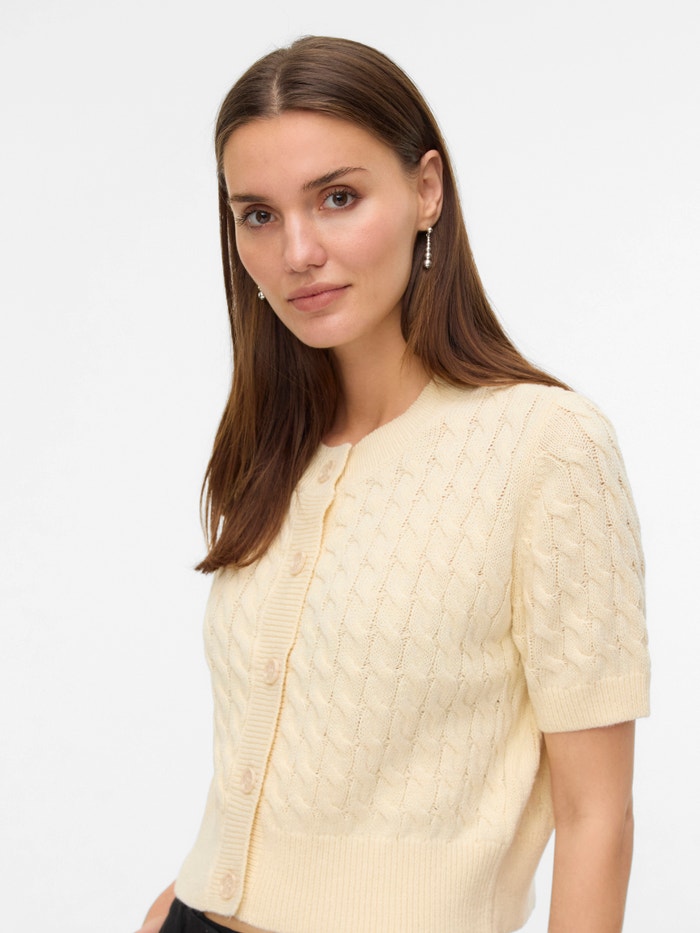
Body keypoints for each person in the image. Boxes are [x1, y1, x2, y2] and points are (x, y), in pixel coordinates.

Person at [136, 35, 650, 933]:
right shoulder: (271, 447)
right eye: (257, 214)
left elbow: (595, 816)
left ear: (426, 190)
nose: (297, 251)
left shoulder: (547, 445)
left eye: (337, 198)